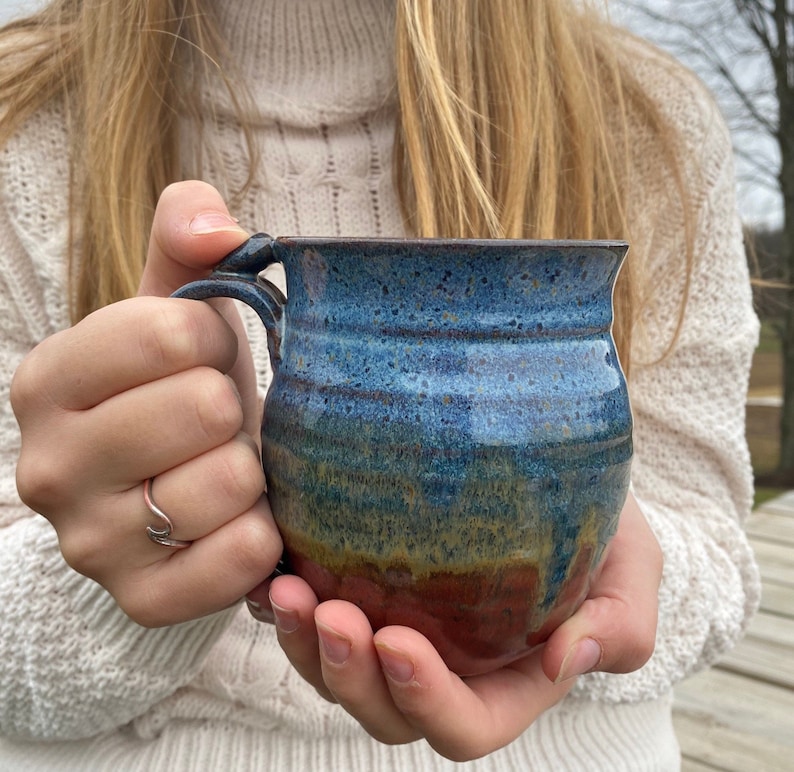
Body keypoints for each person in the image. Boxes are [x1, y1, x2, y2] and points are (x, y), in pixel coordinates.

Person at [0, 1, 760, 769]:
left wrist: (586, 563)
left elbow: (720, 558)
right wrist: (150, 555)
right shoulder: (18, 110)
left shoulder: (647, 114)